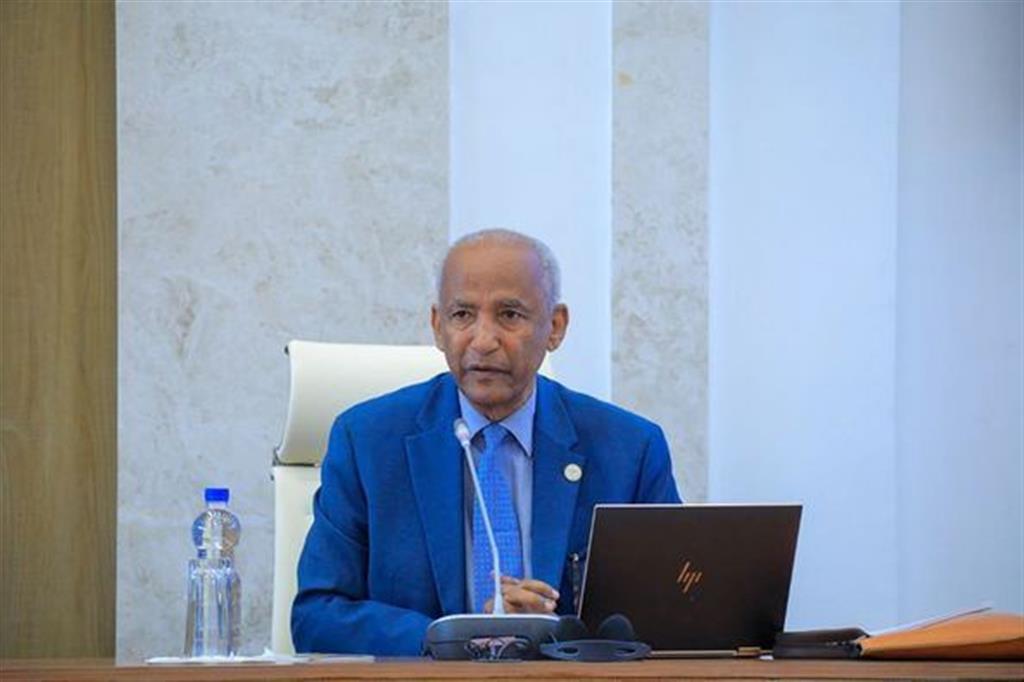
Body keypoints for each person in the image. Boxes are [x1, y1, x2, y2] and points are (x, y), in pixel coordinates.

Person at [292, 229, 681, 655]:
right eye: (462, 315)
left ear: (555, 327)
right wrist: (454, 638)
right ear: (438, 326)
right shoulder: (366, 442)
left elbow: (674, 609)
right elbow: (317, 616)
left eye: (510, 314)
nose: (482, 340)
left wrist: (552, 633)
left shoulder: (630, 449)